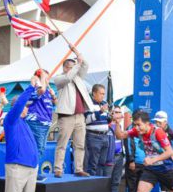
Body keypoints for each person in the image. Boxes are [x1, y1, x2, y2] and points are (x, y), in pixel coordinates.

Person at [2, 75, 42, 192]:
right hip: (17, 165)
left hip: (30, 165)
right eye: (26, 106)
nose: (27, 108)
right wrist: (31, 88)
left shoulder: (24, 123)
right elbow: (19, 105)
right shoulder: (11, 120)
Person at [52, 45, 91, 178]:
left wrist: (78, 54)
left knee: (80, 144)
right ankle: (58, 169)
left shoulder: (78, 78)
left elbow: (85, 65)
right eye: (71, 67)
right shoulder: (59, 79)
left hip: (80, 116)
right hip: (66, 116)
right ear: (65, 68)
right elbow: (68, 77)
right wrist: (76, 65)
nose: (75, 69)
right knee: (62, 144)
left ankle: (78, 168)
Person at [24, 69, 56, 181]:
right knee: (37, 148)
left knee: (40, 148)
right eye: (46, 78)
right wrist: (41, 77)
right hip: (36, 122)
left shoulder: (47, 90)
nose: (48, 80)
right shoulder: (37, 88)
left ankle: (32, 172)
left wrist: (53, 97)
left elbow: (55, 105)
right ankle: (32, 173)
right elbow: (40, 91)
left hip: (45, 124)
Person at [84, 84, 111, 177]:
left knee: (102, 164)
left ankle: (98, 184)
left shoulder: (104, 103)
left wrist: (110, 117)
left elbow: (106, 120)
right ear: (94, 93)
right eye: (101, 93)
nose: (103, 96)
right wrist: (100, 112)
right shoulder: (88, 104)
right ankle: (91, 185)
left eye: (104, 94)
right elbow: (86, 120)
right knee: (93, 164)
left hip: (105, 137)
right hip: (93, 137)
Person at [108, 107, 126, 192]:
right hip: (110, 157)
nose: (119, 114)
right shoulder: (107, 125)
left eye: (120, 112)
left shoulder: (120, 126)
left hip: (119, 156)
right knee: (107, 181)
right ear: (111, 113)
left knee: (116, 181)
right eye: (116, 112)